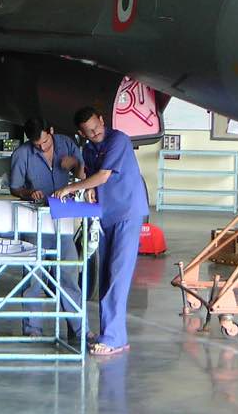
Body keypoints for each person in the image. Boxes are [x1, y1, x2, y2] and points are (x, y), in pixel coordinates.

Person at [54, 106, 150, 356]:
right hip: (106, 216)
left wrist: (71, 188)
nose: (95, 133)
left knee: (118, 273)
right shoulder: (88, 149)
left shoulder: (119, 140)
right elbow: (92, 177)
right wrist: (88, 188)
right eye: (89, 131)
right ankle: (114, 334)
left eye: (97, 127)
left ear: (102, 120)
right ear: (81, 133)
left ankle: (113, 337)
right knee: (106, 275)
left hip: (127, 212)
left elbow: (104, 175)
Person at [8, 117, 86, 340]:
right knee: (33, 276)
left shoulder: (67, 144)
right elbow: (15, 187)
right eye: (37, 145)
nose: (42, 148)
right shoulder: (22, 154)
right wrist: (28, 193)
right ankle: (32, 328)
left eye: (45, 142)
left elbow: (83, 175)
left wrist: (75, 164)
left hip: (63, 219)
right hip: (36, 222)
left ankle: (78, 329)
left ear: (51, 131)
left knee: (69, 273)